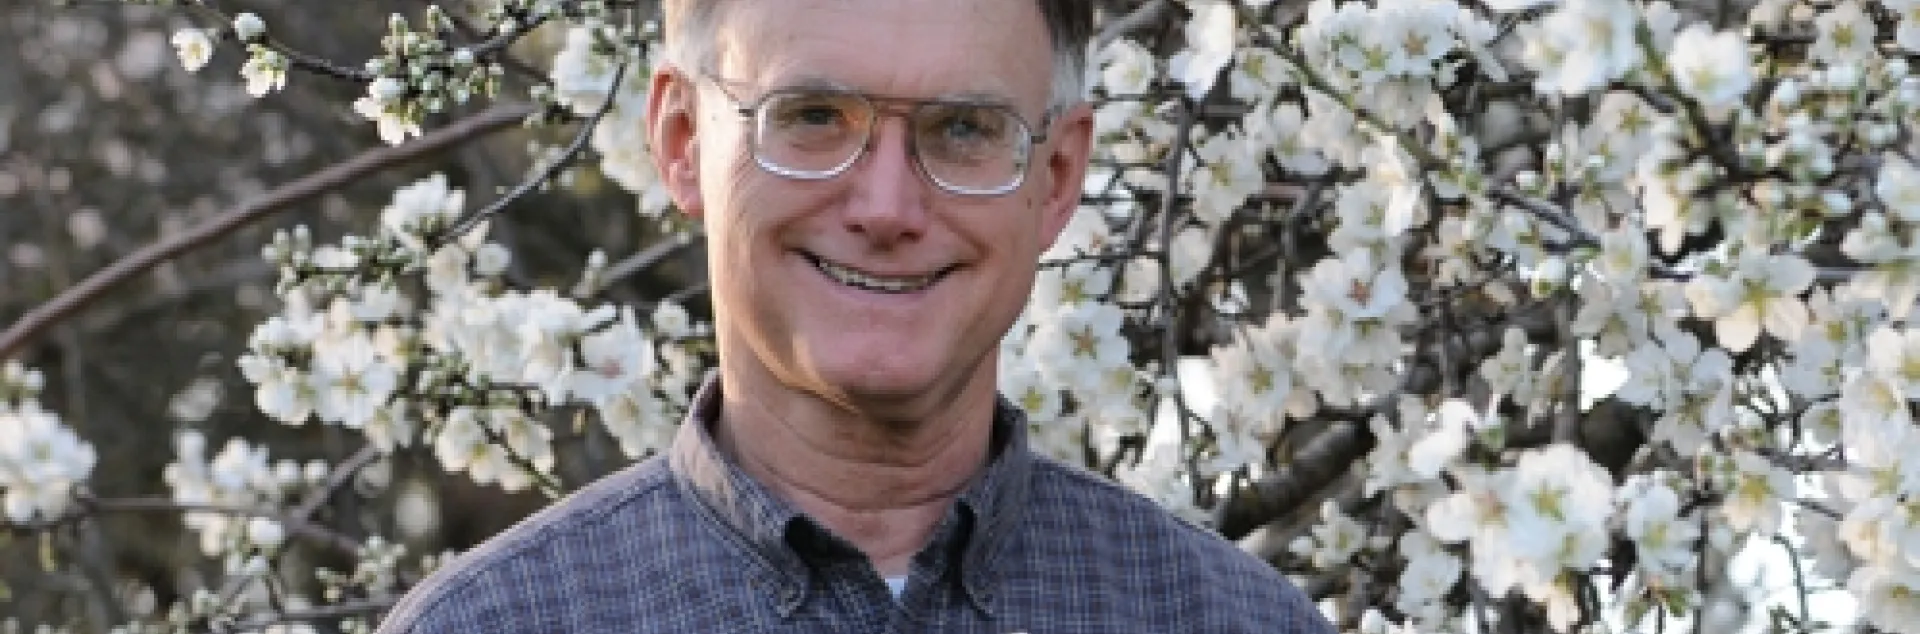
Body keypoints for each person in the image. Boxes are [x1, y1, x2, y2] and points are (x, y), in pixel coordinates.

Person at [377, 0, 1334, 631]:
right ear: (680, 142)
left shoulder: (1233, 622)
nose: (884, 207)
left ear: (1057, 177)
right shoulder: (492, 625)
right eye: (812, 116)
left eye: (965, 130)